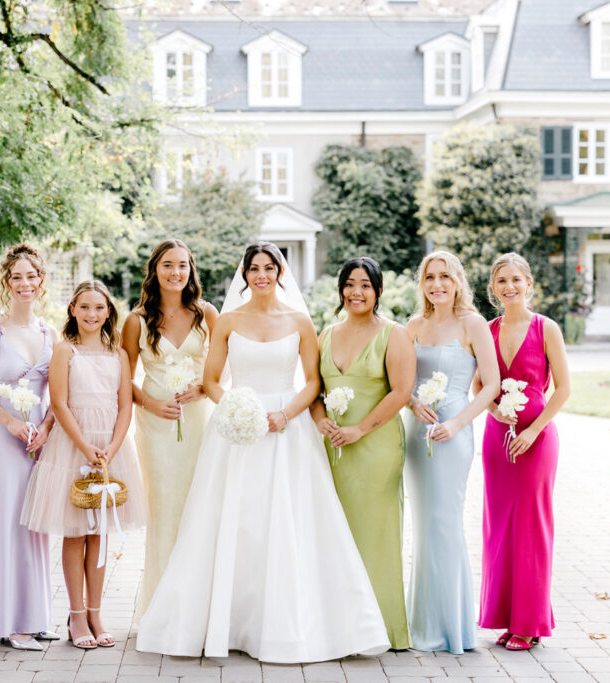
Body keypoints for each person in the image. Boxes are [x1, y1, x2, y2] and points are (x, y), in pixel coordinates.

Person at [136, 242, 390, 663]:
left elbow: (311, 382)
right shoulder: (229, 320)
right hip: (236, 431)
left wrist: (286, 414)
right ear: (245, 274)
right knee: (235, 521)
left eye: (268, 268)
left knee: (287, 521)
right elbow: (213, 379)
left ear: (280, 273)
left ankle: (287, 623)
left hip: (287, 431)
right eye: (253, 268)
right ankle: (227, 621)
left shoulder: (300, 322)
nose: (261, 275)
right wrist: (236, 405)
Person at [21, 280, 147, 649]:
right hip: (73, 445)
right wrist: (85, 446)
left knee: (101, 533)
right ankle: (76, 615)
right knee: (76, 532)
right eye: (85, 307)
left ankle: (96, 611)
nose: (92, 314)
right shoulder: (65, 351)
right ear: (73, 310)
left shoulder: (119, 354)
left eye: (99, 307)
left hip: (109, 447)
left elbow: (126, 404)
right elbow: (58, 403)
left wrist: (112, 446)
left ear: (109, 312)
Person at [310, 257, 414, 650]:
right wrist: (321, 421)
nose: (356, 292)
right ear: (341, 290)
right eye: (350, 284)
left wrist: (359, 429)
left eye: (365, 285)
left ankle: (382, 630)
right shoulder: (325, 334)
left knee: (374, 535)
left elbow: (401, 392)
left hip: (376, 447)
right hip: (332, 449)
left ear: (378, 291)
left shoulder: (395, 334)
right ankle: (336, 628)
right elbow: (313, 391)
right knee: (334, 535)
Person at [403, 251, 499, 654]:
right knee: (423, 526)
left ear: (457, 280)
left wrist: (457, 423)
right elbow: (403, 381)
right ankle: (422, 624)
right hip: (418, 433)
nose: (437, 284)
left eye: (444, 276)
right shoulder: (413, 326)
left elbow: (491, 385)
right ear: (422, 283)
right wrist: (411, 402)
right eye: (429, 277)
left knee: (445, 522)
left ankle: (453, 629)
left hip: (454, 432)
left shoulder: (473, 324)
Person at [473, 252, 570, 651]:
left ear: (529, 283)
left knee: (532, 527)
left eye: (516, 279)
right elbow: (480, 384)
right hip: (499, 440)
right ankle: (504, 618)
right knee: (499, 527)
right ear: (493, 289)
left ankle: (529, 623)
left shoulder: (547, 328)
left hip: (537, 440)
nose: (509, 287)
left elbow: (563, 389)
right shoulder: (488, 330)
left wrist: (532, 430)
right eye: (501, 281)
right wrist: (498, 412)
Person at [0, 244, 58, 651]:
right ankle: (9, 622)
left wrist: (46, 427)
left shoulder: (49, 332)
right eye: (17, 277)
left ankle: (36, 617)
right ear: (7, 282)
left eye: (31, 276)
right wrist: (9, 421)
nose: (25, 283)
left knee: (35, 525)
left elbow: (59, 392)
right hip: (3, 439)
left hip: (37, 440)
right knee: (7, 520)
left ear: (42, 281)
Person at [120, 240, 218, 621]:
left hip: (199, 422)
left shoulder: (207, 314)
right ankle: (162, 610)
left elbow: (223, 367)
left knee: (200, 506)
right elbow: (123, 379)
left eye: (182, 265)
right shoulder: (137, 320)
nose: (176, 272)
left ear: (191, 270)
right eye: (167, 265)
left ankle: (198, 607)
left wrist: (204, 387)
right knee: (164, 510)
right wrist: (150, 403)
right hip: (156, 427)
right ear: (155, 270)